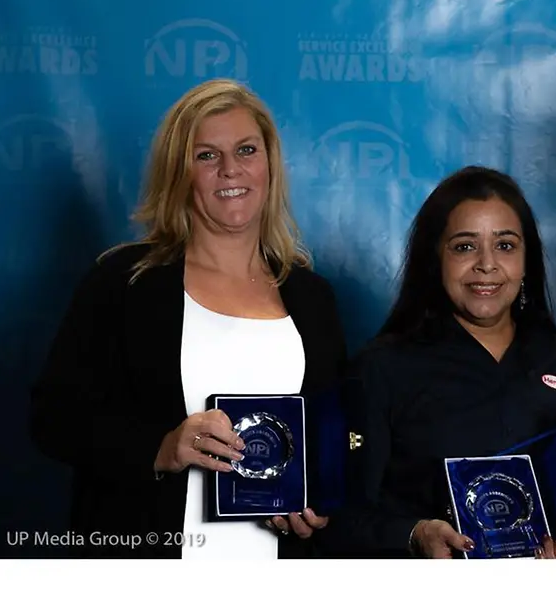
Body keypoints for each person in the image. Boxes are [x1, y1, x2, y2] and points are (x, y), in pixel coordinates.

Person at [30, 79, 347, 558]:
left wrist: (316, 498)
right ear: (179, 172)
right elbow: (53, 418)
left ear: (269, 164)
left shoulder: (313, 298)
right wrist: (162, 447)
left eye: (246, 150)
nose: (230, 170)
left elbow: (334, 432)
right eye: (206, 156)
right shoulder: (124, 282)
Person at [341, 165, 556, 559]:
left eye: (505, 245)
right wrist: (415, 534)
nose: (487, 264)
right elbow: (344, 515)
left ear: (526, 259)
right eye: (464, 246)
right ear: (435, 259)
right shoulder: (381, 368)